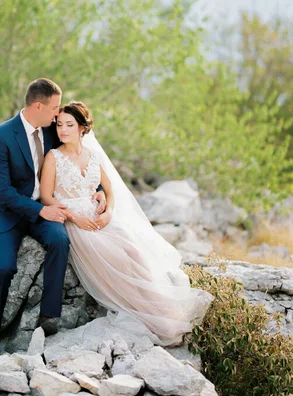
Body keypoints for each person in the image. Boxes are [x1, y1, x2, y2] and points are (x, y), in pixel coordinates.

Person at [40, 101, 214, 347]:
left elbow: (109, 190)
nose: (62, 130)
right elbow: (47, 196)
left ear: (82, 128)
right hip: (75, 221)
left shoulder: (92, 156)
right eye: (59, 125)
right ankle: (154, 320)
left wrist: (109, 212)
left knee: (134, 252)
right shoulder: (54, 157)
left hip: (99, 217)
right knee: (116, 257)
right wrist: (73, 216)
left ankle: (165, 311)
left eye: (69, 125)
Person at [0, 79, 106, 356]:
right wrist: (40, 210)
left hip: (42, 209)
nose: (58, 115)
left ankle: (49, 316)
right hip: (7, 213)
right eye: (55, 108)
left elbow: (76, 160)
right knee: (4, 268)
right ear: (38, 106)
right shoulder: (0, 136)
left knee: (59, 240)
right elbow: (2, 191)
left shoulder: (51, 131)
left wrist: (99, 191)